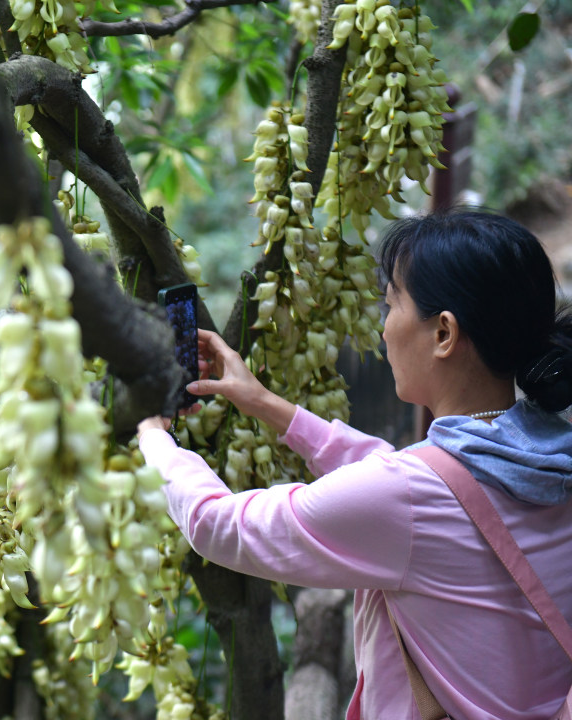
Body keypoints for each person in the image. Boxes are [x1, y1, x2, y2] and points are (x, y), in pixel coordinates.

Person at [137, 210, 572, 719]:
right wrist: (263, 402)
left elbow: (219, 525)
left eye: (391, 307)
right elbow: (422, 478)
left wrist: (153, 436)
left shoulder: (407, 498)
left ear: (444, 334)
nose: (383, 330)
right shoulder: (547, 449)